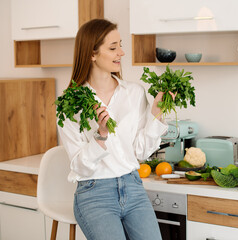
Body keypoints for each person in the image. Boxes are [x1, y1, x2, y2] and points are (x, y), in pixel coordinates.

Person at [58, 18, 173, 240]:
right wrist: (101, 135)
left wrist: (157, 113)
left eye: (121, 45)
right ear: (92, 54)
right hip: (94, 193)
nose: (121, 52)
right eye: (113, 48)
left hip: (133, 186)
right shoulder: (70, 104)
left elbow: (140, 152)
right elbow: (79, 166)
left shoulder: (134, 93)